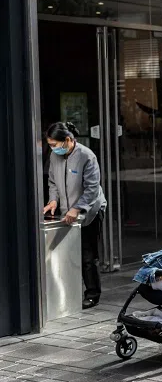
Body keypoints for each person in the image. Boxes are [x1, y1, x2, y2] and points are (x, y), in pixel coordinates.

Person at [43, 123, 107, 310]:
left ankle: (92, 294)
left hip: (90, 211)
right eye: (51, 145)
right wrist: (53, 200)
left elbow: (92, 188)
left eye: (55, 144)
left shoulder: (87, 156)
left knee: (88, 255)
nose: (54, 148)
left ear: (68, 140)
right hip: (66, 212)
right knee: (69, 253)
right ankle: (69, 292)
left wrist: (77, 208)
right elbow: (52, 181)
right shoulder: (55, 156)